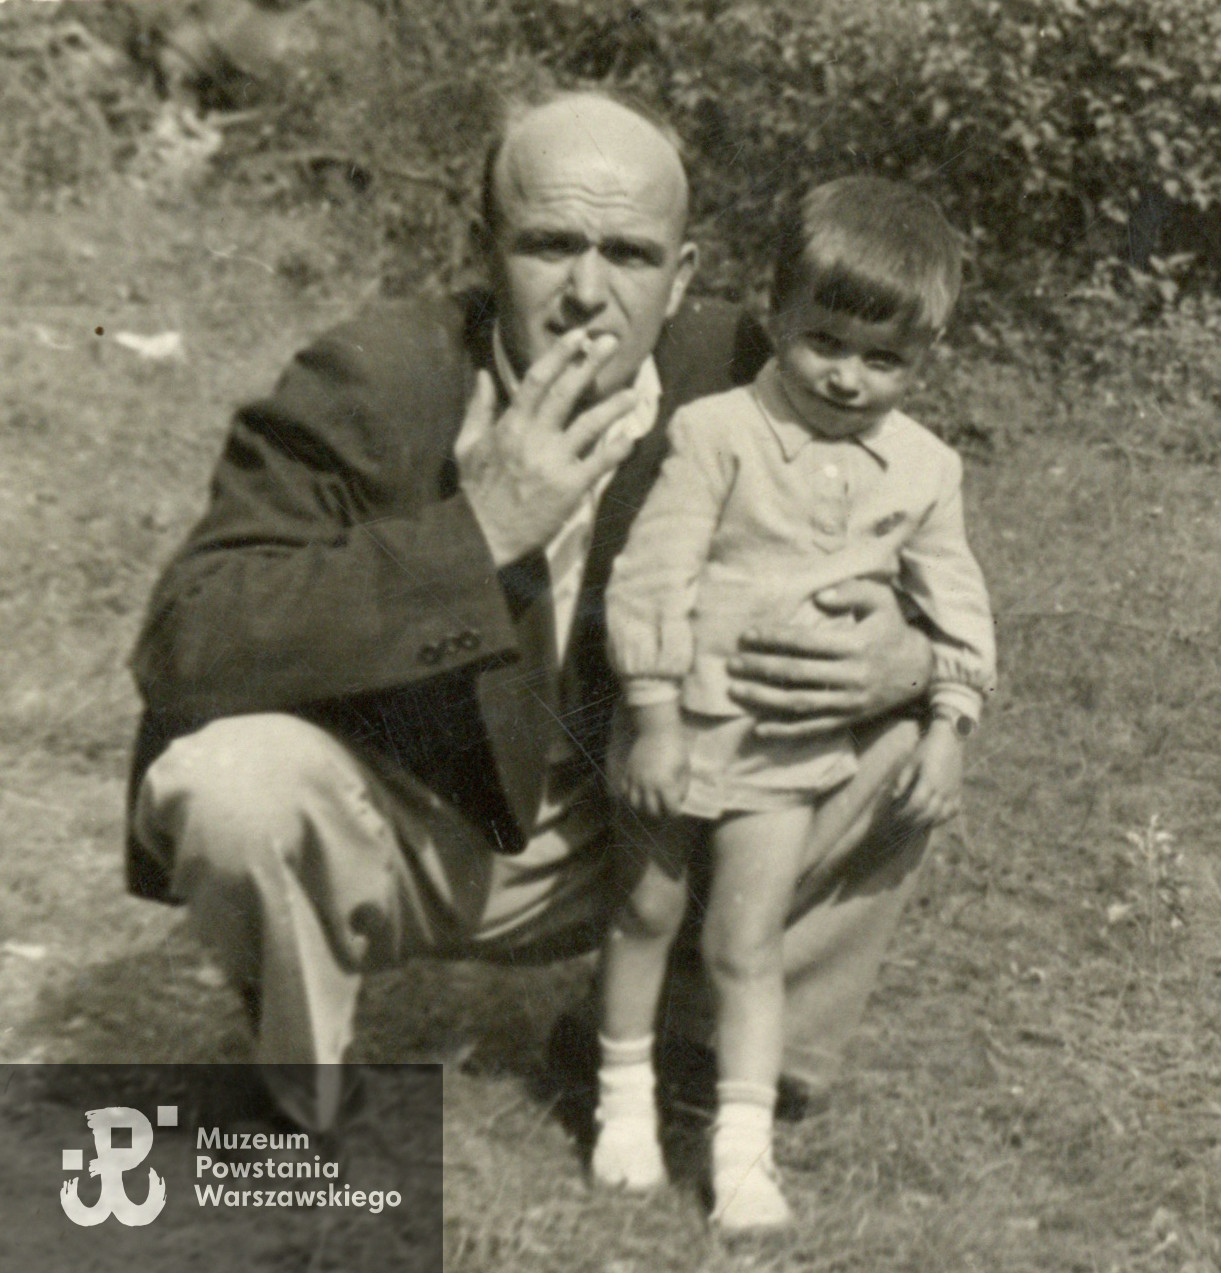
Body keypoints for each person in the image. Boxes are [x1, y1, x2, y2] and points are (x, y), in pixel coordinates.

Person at [124, 92, 939, 1140]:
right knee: (227, 783)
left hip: (648, 814)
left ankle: (675, 1049)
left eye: (631, 255)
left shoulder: (753, 373)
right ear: (486, 249)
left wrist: (909, 660)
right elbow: (186, 637)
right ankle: (298, 1093)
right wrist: (478, 533)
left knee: (900, 730)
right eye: (549, 245)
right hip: (412, 826)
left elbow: (914, 546)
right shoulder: (374, 377)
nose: (587, 294)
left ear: (682, 276)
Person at [591, 178, 995, 1230]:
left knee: (747, 940)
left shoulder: (924, 469)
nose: (849, 379)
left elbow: (958, 609)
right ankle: (622, 1107)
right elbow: (652, 575)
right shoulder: (715, 433)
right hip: (678, 727)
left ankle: (742, 1151)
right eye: (825, 342)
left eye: (885, 359)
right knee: (641, 911)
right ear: (776, 313)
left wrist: (949, 727)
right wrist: (654, 710)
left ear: (925, 359)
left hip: (785, 751)